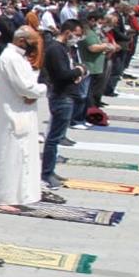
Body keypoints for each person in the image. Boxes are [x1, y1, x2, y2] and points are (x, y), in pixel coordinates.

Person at [0, 27, 48, 206]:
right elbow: (25, 87)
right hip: (13, 114)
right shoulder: (10, 57)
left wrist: (33, 93)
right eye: (32, 41)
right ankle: (5, 198)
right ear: (22, 40)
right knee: (10, 156)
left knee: (23, 157)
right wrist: (42, 89)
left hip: (23, 111)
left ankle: (21, 196)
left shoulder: (18, 57)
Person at [41, 20, 86, 189]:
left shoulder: (63, 49)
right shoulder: (54, 49)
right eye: (76, 34)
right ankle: (46, 173)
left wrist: (76, 73)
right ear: (68, 32)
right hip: (61, 96)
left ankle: (50, 170)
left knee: (57, 137)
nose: (77, 38)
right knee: (53, 138)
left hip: (66, 95)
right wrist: (79, 71)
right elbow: (61, 74)